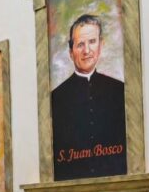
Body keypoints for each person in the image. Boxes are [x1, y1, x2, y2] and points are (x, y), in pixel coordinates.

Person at [50, 14, 127, 181]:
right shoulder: (55, 98)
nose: (87, 51)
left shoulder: (120, 90)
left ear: (101, 45)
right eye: (80, 45)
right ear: (71, 52)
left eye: (92, 42)